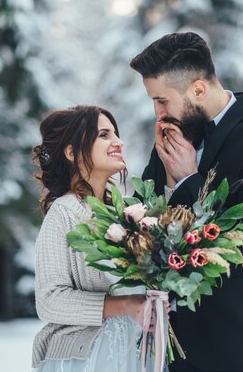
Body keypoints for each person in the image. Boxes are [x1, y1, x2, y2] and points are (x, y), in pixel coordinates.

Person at [130, 32, 243, 372]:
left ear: (198, 90)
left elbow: (242, 248)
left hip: (236, 345)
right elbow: (141, 217)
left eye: (162, 100)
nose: (158, 114)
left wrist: (189, 182)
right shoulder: (173, 135)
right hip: (171, 345)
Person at [31, 105, 167, 372]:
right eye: (104, 135)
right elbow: (49, 301)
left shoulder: (126, 213)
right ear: (71, 152)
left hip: (136, 354)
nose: (119, 142)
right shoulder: (64, 214)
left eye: (116, 134)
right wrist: (126, 305)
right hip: (87, 359)